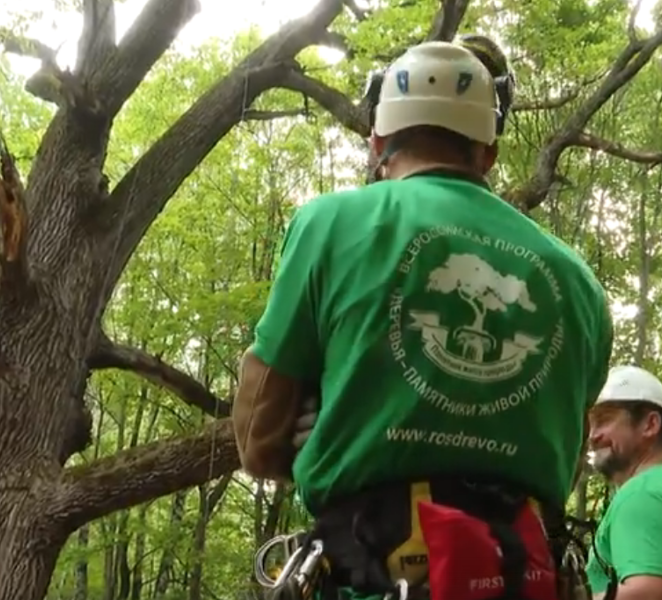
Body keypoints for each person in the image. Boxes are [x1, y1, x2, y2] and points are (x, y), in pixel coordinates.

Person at [233, 37, 614, 600]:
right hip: (527, 576)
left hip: (371, 572)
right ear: (487, 153)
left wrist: (335, 428)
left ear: (378, 140)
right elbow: (567, 452)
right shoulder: (579, 281)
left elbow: (259, 437)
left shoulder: (330, 224)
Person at [586, 365, 662, 600]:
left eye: (605, 420)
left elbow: (647, 593)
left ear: (649, 425)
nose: (592, 436)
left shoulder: (640, 494)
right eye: (590, 425)